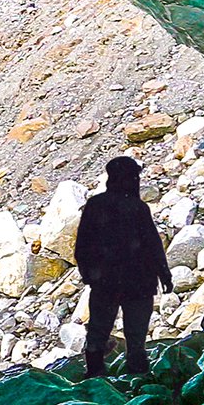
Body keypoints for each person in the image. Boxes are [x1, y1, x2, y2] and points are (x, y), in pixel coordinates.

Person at [73, 155, 172, 378]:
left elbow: (82, 247)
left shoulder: (96, 205)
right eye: (134, 176)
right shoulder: (138, 208)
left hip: (106, 282)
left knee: (98, 331)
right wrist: (164, 274)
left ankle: (94, 376)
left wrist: (90, 276)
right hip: (138, 283)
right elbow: (153, 245)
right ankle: (137, 378)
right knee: (136, 336)